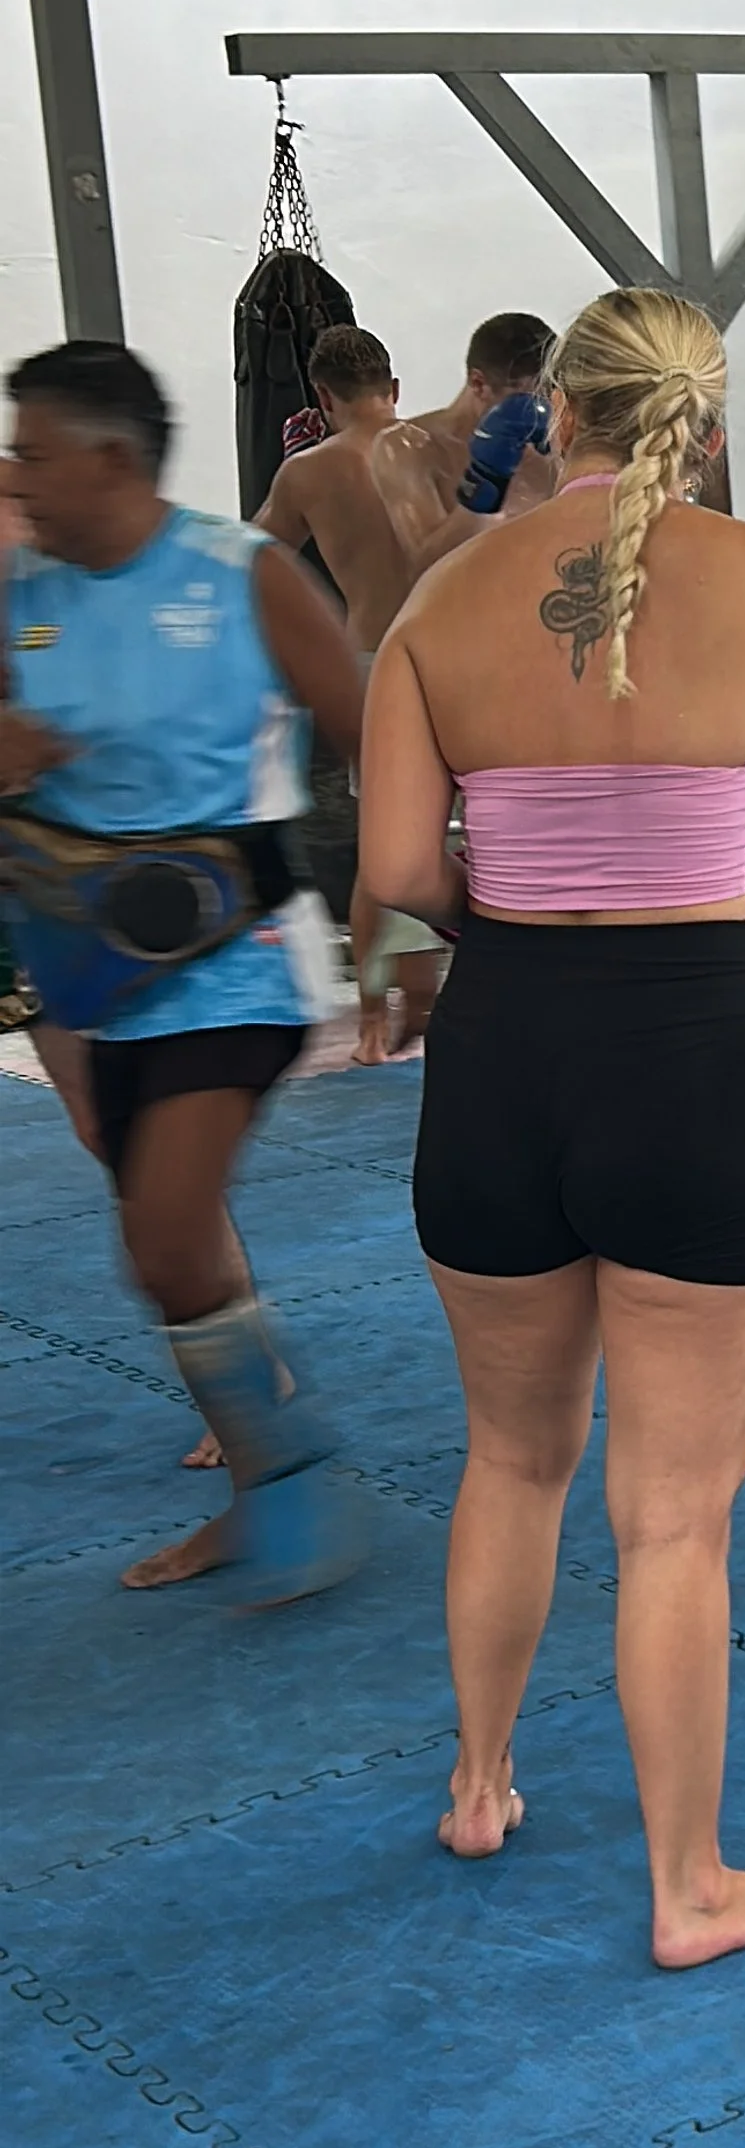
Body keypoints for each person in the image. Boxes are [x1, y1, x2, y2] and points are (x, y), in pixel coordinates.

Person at [359, 288, 745, 1963]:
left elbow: (403, 877)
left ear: (551, 412)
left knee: (511, 1455)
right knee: (673, 1515)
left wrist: (535, 860)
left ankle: (482, 1779)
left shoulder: (443, 595)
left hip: (500, 1050)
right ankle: (689, 1886)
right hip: (694, 1055)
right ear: (701, 427)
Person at [0, 338, 369, 1600]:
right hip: (88, 962)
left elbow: (372, 724)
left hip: (239, 960)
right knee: (162, 1248)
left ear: (112, 458)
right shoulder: (21, 593)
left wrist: (417, 910)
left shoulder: (239, 572)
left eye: (33, 453)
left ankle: (284, 1467)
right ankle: (264, 1472)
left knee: (163, 1233)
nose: (17, 475)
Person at [253, 319, 448, 1062]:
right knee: (461, 839)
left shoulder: (309, 473)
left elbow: (254, 555)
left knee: (384, 849)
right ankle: (429, 1001)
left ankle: (373, 1016)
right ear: (393, 389)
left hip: (377, 661)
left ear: (324, 396)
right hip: (460, 655)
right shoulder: (442, 450)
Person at [371, 310, 558, 560]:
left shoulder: (544, 452)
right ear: (479, 384)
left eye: (548, 399)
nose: (539, 413)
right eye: (526, 402)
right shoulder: (408, 446)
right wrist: (488, 479)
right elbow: (425, 565)